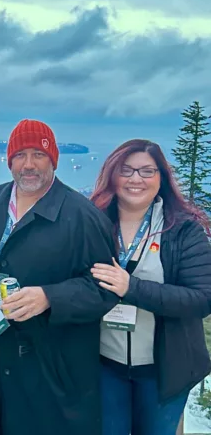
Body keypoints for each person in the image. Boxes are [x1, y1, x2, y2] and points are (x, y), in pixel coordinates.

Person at [0, 119, 119, 435]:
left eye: (38, 155)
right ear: (9, 160)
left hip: (60, 373)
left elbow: (106, 289)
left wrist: (49, 297)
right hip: (8, 361)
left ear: (53, 160)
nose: (28, 165)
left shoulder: (82, 217)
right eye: (20, 155)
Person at [90, 139, 211, 435]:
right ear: (112, 175)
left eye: (147, 171)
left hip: (163, 371)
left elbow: (202, 299)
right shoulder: (93, 222)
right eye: (127, 170)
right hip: (104, 365)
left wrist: (131, 287)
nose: (135, 179)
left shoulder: (183, 229)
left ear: (161, 178)